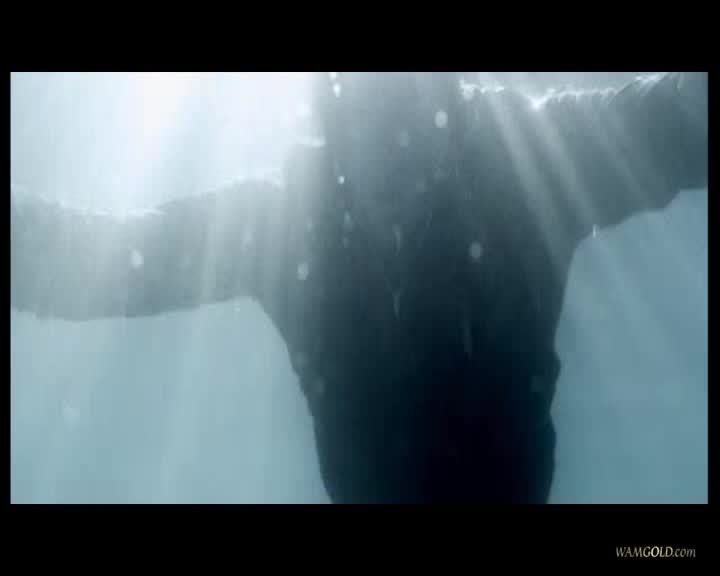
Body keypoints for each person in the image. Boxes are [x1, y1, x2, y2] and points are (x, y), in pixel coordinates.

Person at [10, 72, 708, 503]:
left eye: (408, 108)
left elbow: (677, 117)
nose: (391, 147)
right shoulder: (290, 227)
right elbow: (102, 263)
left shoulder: (524, 172)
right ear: (333, 118)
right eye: (368, 115)